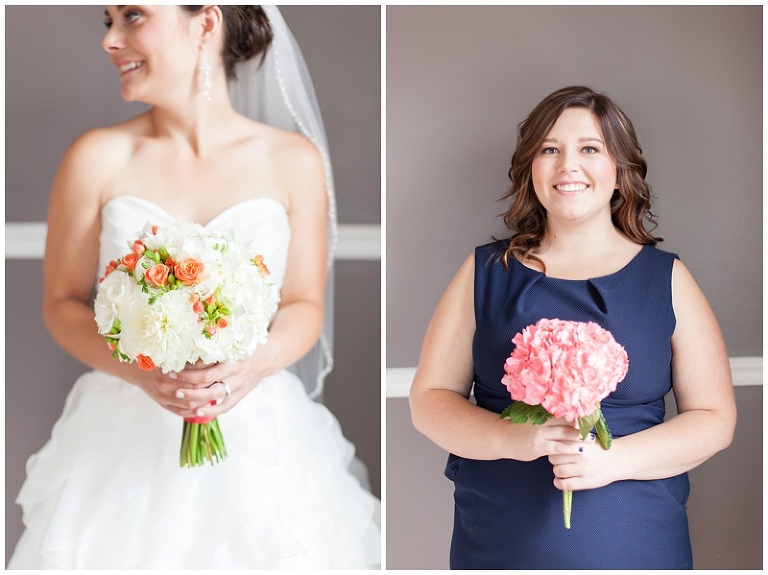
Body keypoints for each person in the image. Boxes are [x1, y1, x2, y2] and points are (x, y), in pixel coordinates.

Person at [9, 6, 379, 569]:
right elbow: (61, 304)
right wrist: (142, 372)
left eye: (132, 15)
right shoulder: (95, 158)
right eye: (106, 20)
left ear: (206, 23)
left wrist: (252, 366)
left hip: (264, 443)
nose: (111, 39)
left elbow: (304, 303)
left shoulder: (293, 161)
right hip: (122, 440)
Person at [409, 85, 736, 569]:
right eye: (549, 149)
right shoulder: (485, 272)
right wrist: (510, 439)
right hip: (499, 542)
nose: (568, 166)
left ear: (620, 169)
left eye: (589, 149)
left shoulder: (666, 278)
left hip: (637, 543)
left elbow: (714, 419)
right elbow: (429, 400)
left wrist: (611, 461)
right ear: (531, 168)